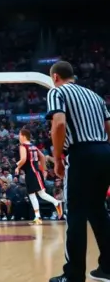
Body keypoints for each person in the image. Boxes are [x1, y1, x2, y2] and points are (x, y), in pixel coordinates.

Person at [46, 61, 110, 282]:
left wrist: (57, 159)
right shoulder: (95, 96)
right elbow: (108, 128)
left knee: (75, 215)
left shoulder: (57, 92)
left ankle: (73, 275)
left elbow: (59, 124)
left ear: (55, 77)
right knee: (98, 211)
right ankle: (108, 268)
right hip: (104, 151)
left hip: (81, 154)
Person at [15, 128, 63, 225]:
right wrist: (43, 169)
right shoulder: (33, 146)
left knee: (36, 194)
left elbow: (23, 159)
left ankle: (55, 204)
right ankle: (38, 216)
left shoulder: (23, 146)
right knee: (37, 194)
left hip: (31, 173)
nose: (19, 137)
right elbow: (42, 156)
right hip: (35, 172)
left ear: (24, 136)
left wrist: (18, 166)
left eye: (20, 135)